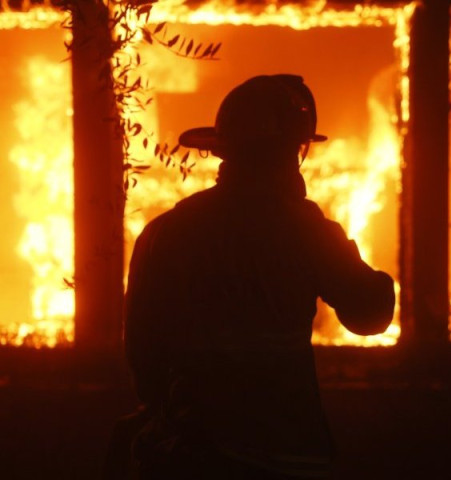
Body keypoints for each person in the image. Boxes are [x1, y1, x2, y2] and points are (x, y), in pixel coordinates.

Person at [119, 74, 395, 479]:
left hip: (189, 447)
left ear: (223, 150)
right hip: (284, 448)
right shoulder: (304, 230)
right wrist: (349, 255)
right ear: (292, 153)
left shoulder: (167, 231)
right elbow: (370, 315)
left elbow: (142, 349)